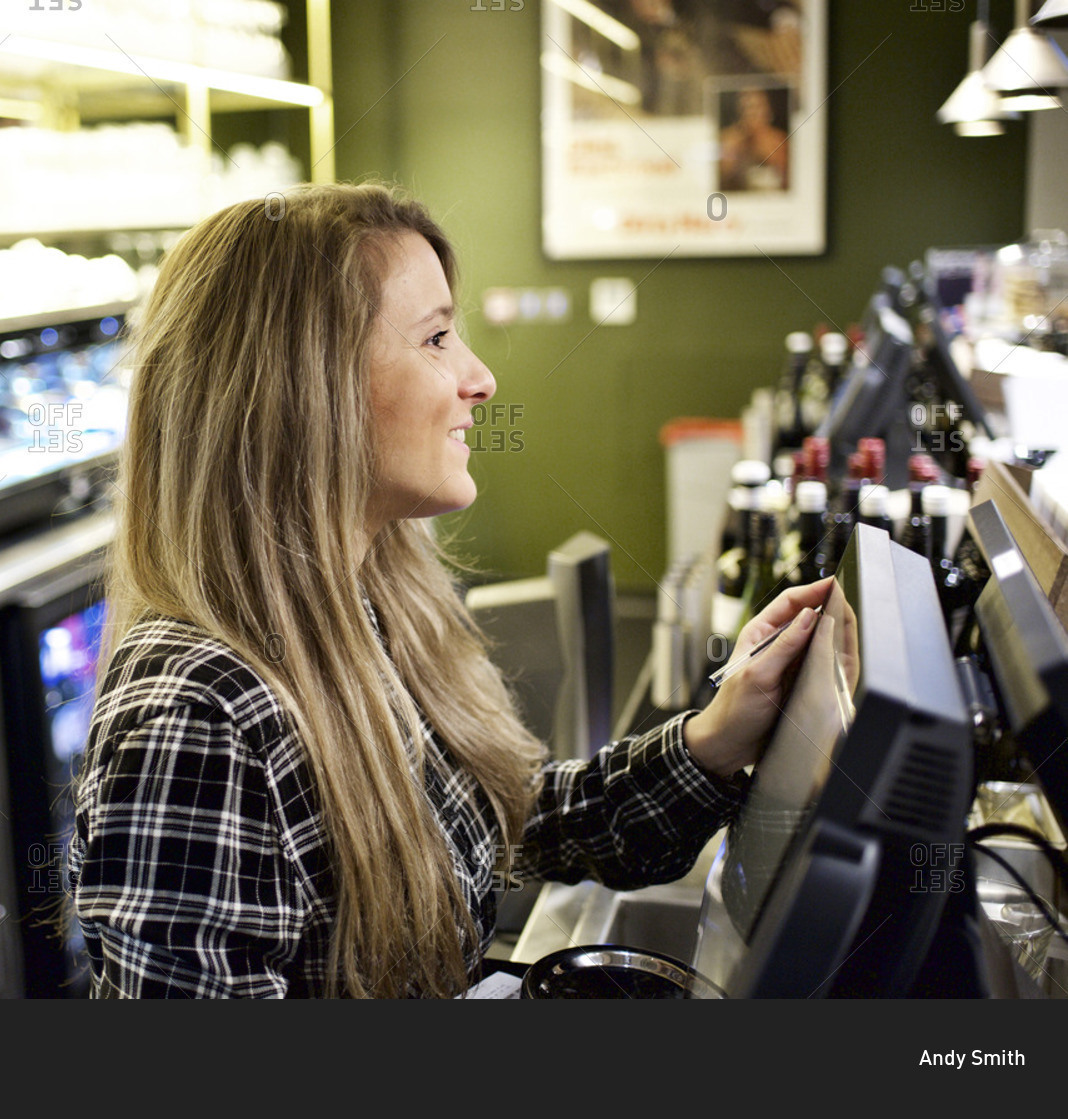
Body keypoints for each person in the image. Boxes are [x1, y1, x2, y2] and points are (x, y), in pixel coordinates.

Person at [64, 182, 829, 998]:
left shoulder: (366, 603)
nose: (480, 377)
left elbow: (508, 822)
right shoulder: (195, 718)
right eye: (435, 339)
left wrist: (714, 737)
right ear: (303, 387)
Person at [718, 86, 790, 192]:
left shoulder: (780, 139)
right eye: (747, 108)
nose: (752, 113)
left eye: (757, 107)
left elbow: (789, 178)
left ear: (768, 111)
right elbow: (720, 179)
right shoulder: (728, 139)